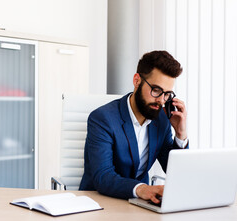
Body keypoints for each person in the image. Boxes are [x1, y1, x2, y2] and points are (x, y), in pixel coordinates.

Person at [79, 50, 188, 204]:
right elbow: (103, 177)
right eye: (156, 90)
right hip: (99, 202)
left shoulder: (161, 120)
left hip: (140, 204)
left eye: (167, 94)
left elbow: (176, 173)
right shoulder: (103, 119)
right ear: (137, 81)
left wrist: (180, 134)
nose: (162, 101)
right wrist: (142, 189)